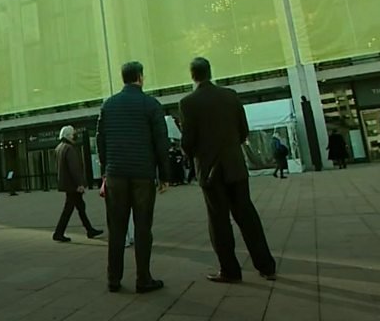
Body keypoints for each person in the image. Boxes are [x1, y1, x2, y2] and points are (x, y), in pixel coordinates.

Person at [180, 57, 277, 283]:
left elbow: (187, 142)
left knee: (218, 220)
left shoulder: (188, 103)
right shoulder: (230, 96)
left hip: (210, 170)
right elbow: (243, 131)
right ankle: (266, 266)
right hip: (235, 166)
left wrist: (194, 152)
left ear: (192, 75)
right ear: (210, 72)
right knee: (247, 216)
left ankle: (230, 270)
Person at [97, 61, 169, 294]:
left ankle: (113, 279)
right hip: (142, 174)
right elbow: (161, 141)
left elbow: (101, 140)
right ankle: (143, 278)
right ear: (140, 76)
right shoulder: (151, 104)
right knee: (142, 227)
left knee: (116, 228)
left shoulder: (109, 105)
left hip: (116, 173)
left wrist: (106, 171)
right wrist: (164, 174)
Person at [53, 126, 104, 242]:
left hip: (67, 184)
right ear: (67, 135)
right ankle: (59, 232)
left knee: (80, 207)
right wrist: (80, 184)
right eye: (72, 133)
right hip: (73, 185)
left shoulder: (59, 148)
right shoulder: (69, 148)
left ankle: (89, 229)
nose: (74, 135)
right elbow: (74, 168)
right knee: (70, 209)